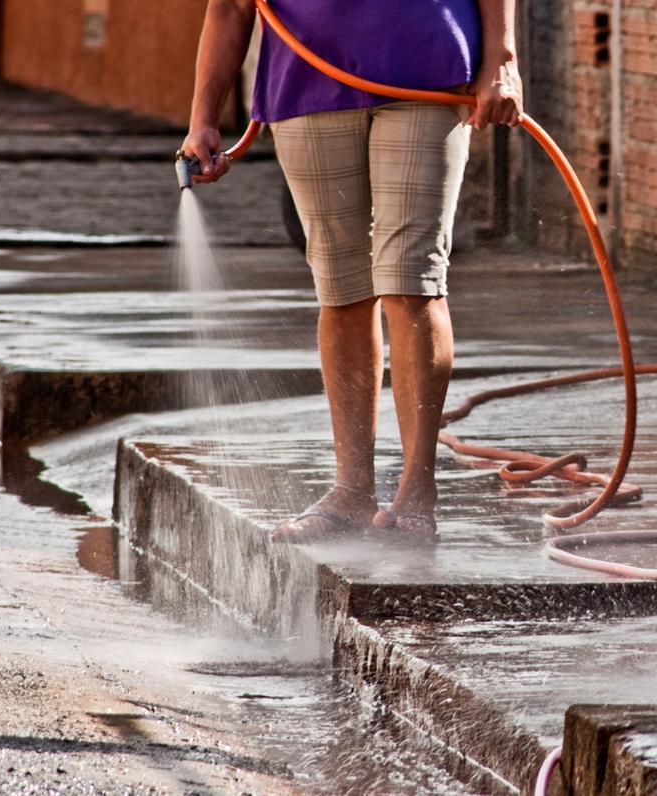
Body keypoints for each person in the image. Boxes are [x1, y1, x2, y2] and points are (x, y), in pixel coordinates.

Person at [181, 0, 523, 539]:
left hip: (427, 76)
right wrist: (202, 118)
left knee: (412, 281)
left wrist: (500, 61)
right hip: (307, 82)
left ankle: (417, 492)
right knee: (341, 289)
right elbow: (230, 6)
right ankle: (351, 492)